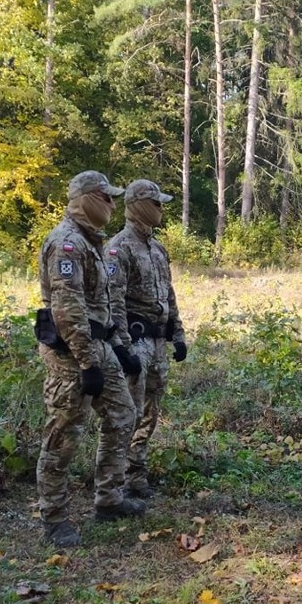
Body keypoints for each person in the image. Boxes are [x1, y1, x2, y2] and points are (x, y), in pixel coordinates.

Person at [35, 170, 146, 548]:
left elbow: (105, 303)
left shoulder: (92, 243)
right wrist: (87, 363)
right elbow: (68, 310)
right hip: (71, 354)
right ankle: (54, 517)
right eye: (106, 197)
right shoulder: (66, 244)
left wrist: (118, 347)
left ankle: (109, 498)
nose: (113, 205)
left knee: (123, 414)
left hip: (99, 348)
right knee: (63, 433)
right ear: (85, 198)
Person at [106, 178, 187, 502]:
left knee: (151, 413)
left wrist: (177, 334)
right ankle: (116, 483)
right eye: (156, 203)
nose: (161, 210)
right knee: (130, 413)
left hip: (157, 344)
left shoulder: (157, 248)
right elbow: (113, 300)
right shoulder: (118, 248)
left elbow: (168, 293)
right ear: (139, 205)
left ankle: (137, 476)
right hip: (135, 343)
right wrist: (123, 349)